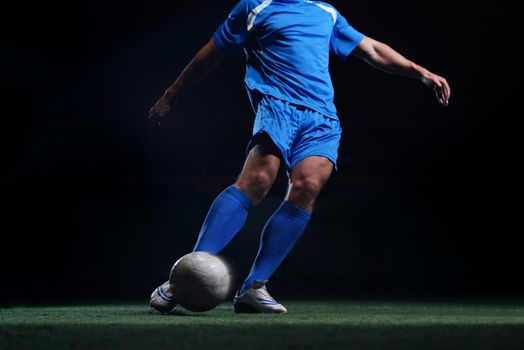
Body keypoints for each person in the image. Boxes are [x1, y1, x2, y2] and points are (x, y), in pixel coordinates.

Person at [148, 0, 451, 314]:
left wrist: (421, 73)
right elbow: (211, 52)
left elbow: (371, 50)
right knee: (259, 179)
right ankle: (183, 277)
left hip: (321, 117)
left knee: (308, 187)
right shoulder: (254, 7)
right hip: (277, 105)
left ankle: (254, 287)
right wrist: (172, 94)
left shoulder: (326, 12)